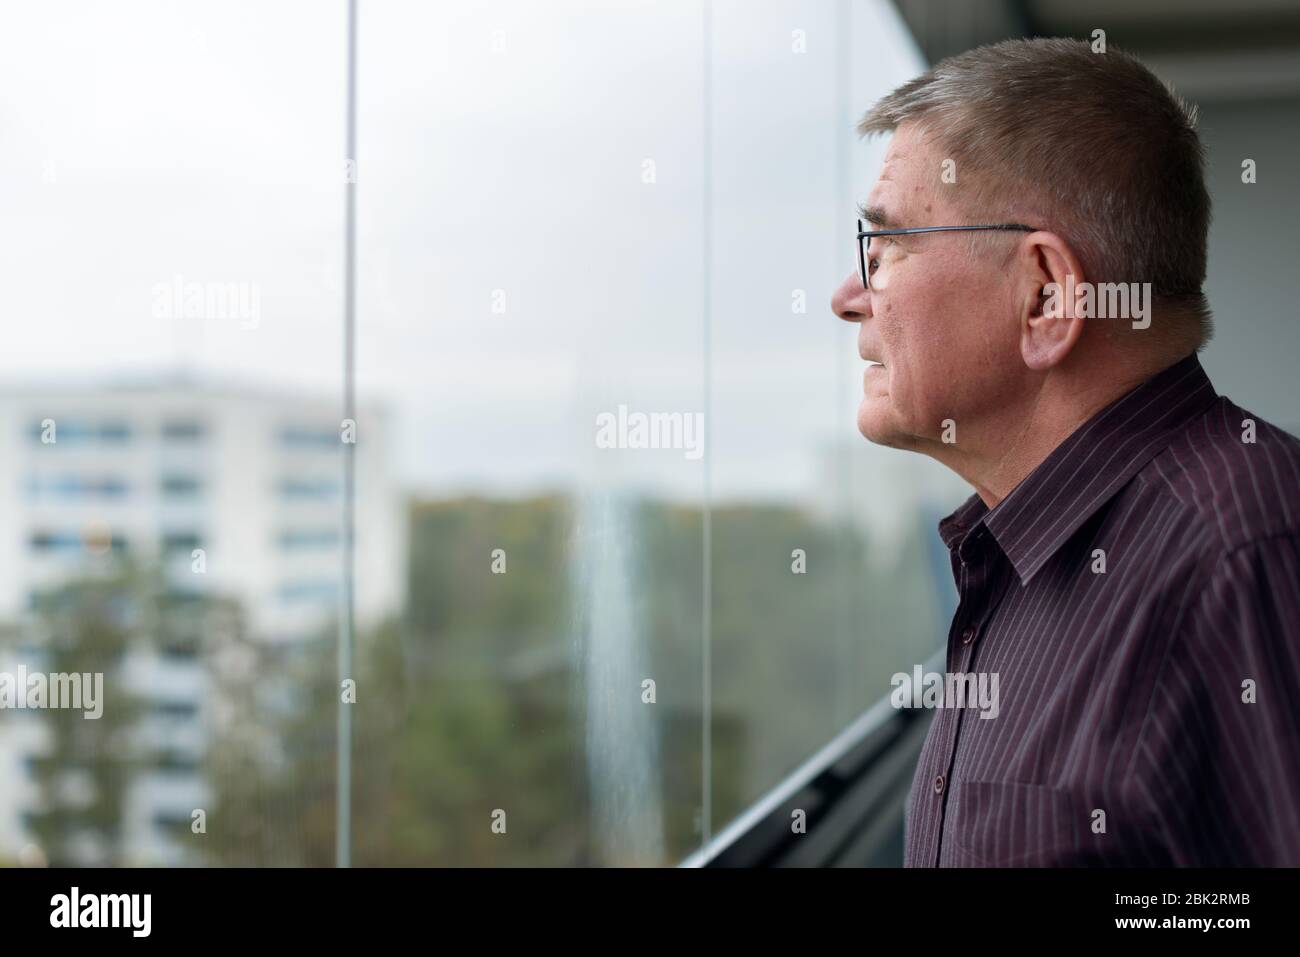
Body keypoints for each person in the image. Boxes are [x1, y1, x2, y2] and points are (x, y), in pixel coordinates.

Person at [831, 38, 1300, 866]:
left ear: (1046, 294)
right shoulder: (1011, 551)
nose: (847, 296)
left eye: (890, 244)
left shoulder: (1247, 548)